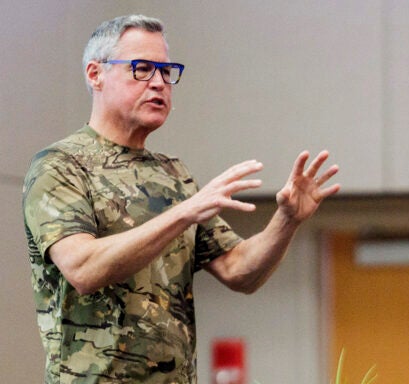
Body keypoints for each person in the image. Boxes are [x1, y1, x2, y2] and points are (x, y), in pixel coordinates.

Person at [22, 14, 340, 383]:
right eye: (142, 69)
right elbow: (83, 269)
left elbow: (240, 272)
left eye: (166, 71)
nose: (158, 83)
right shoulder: (60, 165)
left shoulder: (172, 174)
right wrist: (185, 213)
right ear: (96, 74)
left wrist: (287, 220)